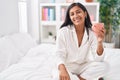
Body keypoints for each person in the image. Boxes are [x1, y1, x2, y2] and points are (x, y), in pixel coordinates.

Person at [53, 2, 109, 80]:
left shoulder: (91, 33)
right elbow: (59, 54)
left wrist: (99, 42)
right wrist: (62, 69)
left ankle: (78, 78)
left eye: (78, 12)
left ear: (85, 14)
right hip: (67, 66)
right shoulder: (63, 32)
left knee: (105, 66)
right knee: (56, 77)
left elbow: (98, 59)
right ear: (70, 17)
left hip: (83, 66)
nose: (75, 16)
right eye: (72, 14)